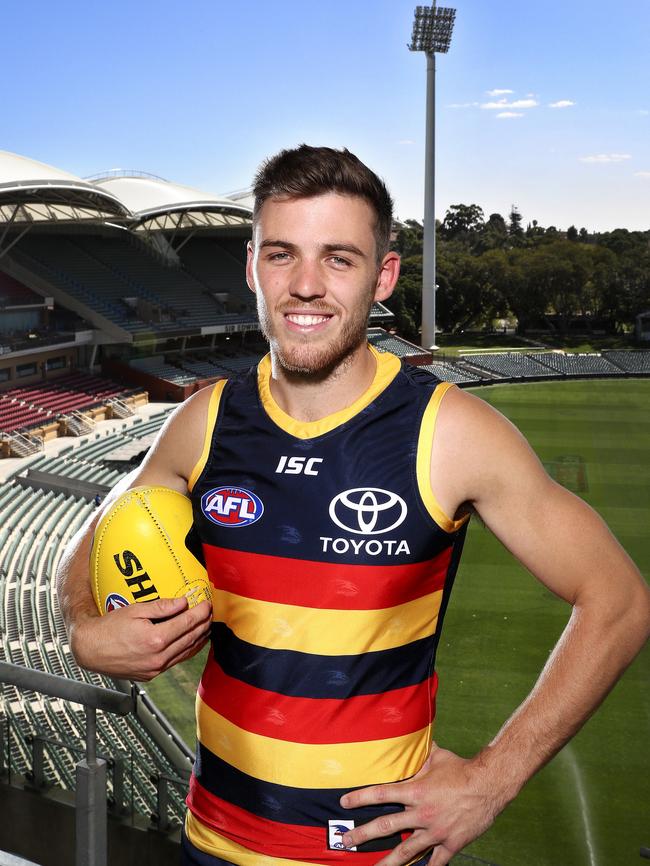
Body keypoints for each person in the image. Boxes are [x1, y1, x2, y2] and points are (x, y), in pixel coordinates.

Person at [56, 145, 650, 866]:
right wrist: (86, 629)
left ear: (383, 277)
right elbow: (96, 533)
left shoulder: (450, 433)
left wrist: (492, 782)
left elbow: (618, 599)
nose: (306, 286)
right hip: (209, 842)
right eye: (282, 255)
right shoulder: (203, 420)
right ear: (252, 268)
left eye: (338, 258)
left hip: (371, 857)